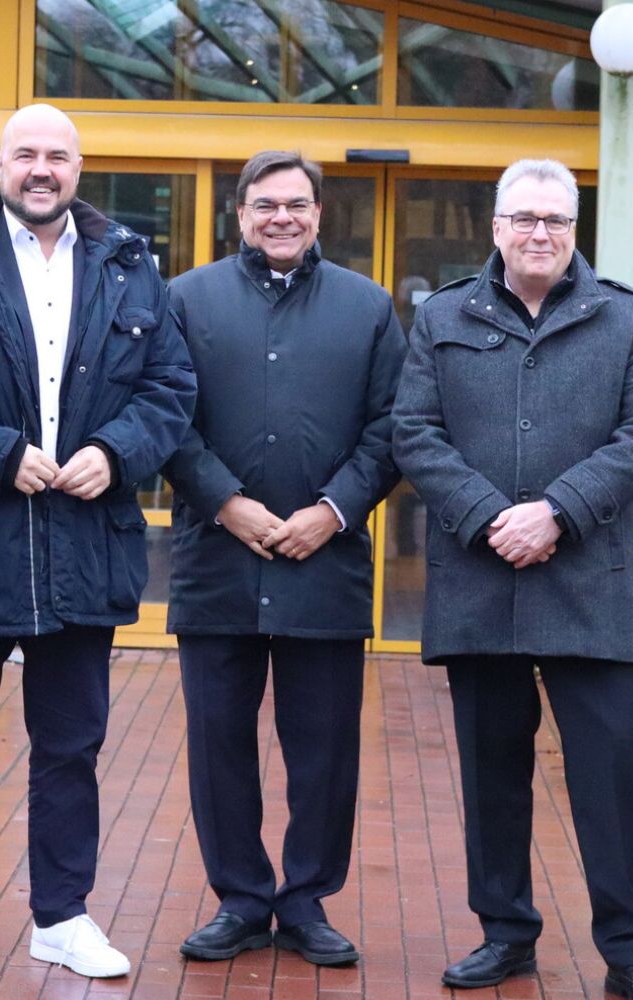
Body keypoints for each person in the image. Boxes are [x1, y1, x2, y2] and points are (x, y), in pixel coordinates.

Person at [0, 103, 195, 988]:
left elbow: (172, 386)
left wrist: (114, 453)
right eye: (26, 155)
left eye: (57, 155)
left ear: (79, 167)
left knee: (72, 748)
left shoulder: (130, 270)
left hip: (83, 543)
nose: (41, 169)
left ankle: (62, 916)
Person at [391, 158, 633, 1000]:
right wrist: (491, 516)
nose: (540, 234)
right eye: (524, 219)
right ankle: (505, 934)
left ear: (574, 229)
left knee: (609, 775)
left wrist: (555, 511)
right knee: (491, 772)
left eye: (556, 221)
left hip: (590, 584)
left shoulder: (627, 318)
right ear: (496, 227)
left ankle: (630, 955)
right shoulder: (444, 315)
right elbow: (415, 432)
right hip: (482, 582)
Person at [162, 151, 403, 967]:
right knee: (218, 743)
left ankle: (304, 901)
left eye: (297, 204)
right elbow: (165, 417)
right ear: (240, 214)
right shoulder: (186, 302)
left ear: (319, 213)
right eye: (265, 205)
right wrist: (225, 502)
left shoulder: (368, 309)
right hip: (216, 563)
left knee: (325, 748)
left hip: (324, 567)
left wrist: (332, 512)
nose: (282, 218)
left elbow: (392, 429)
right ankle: (238, 898)